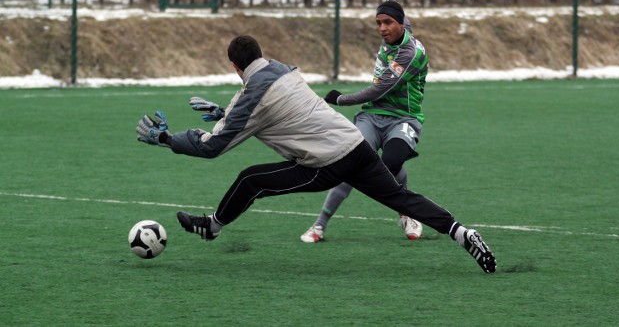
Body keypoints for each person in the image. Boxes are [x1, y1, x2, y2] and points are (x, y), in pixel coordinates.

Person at [136, 35, 497, 274]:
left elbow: (214, 146)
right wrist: (225, 115)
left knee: (250, 179)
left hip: (327, 162)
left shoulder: (250, 96)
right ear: (260, 54)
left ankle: (211, 226)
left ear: (233, 66)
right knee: (401, 197)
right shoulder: (282, 69)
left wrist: (168, 138)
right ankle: (462, 232)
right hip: (355, 143)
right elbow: (272, 111)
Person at [300, 0, 427, 243]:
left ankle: (407, 212)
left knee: (390, 164)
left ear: (401, 24)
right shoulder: (396, 32)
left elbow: (380, 89)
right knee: (351, 164)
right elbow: (397, 14)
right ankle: (319, 225)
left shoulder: (410, 53)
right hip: (371, 116)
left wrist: (340, 99)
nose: (382, 28)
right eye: (378, 23)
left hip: (403, 118)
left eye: (387, 22)